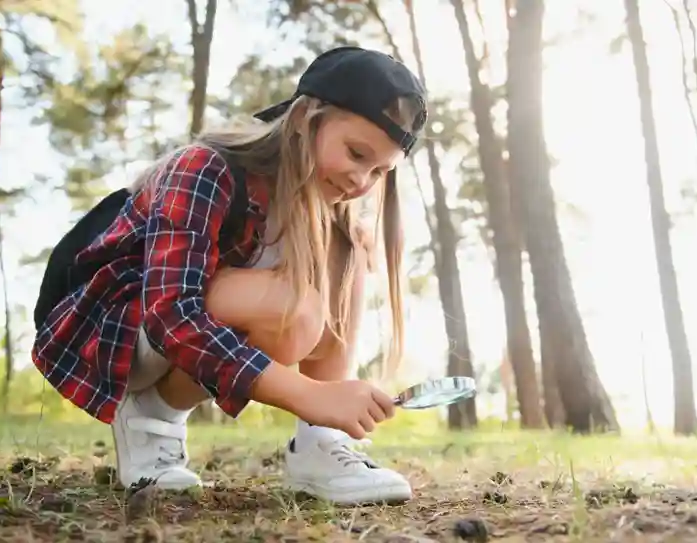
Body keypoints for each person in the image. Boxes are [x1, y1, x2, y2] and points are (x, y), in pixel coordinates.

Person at [30, 45, 428, 505]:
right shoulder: (205, 168)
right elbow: (171, 314)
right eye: (356, 154)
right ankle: (149, 415)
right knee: (291, 308)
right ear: (304, 119)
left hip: (185, 334)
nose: (361, 181)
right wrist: (307, 393)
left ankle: (321, 444)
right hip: (117, 331)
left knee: (338, 259)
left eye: (379, 171)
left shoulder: (331, 220)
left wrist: (327, 405)